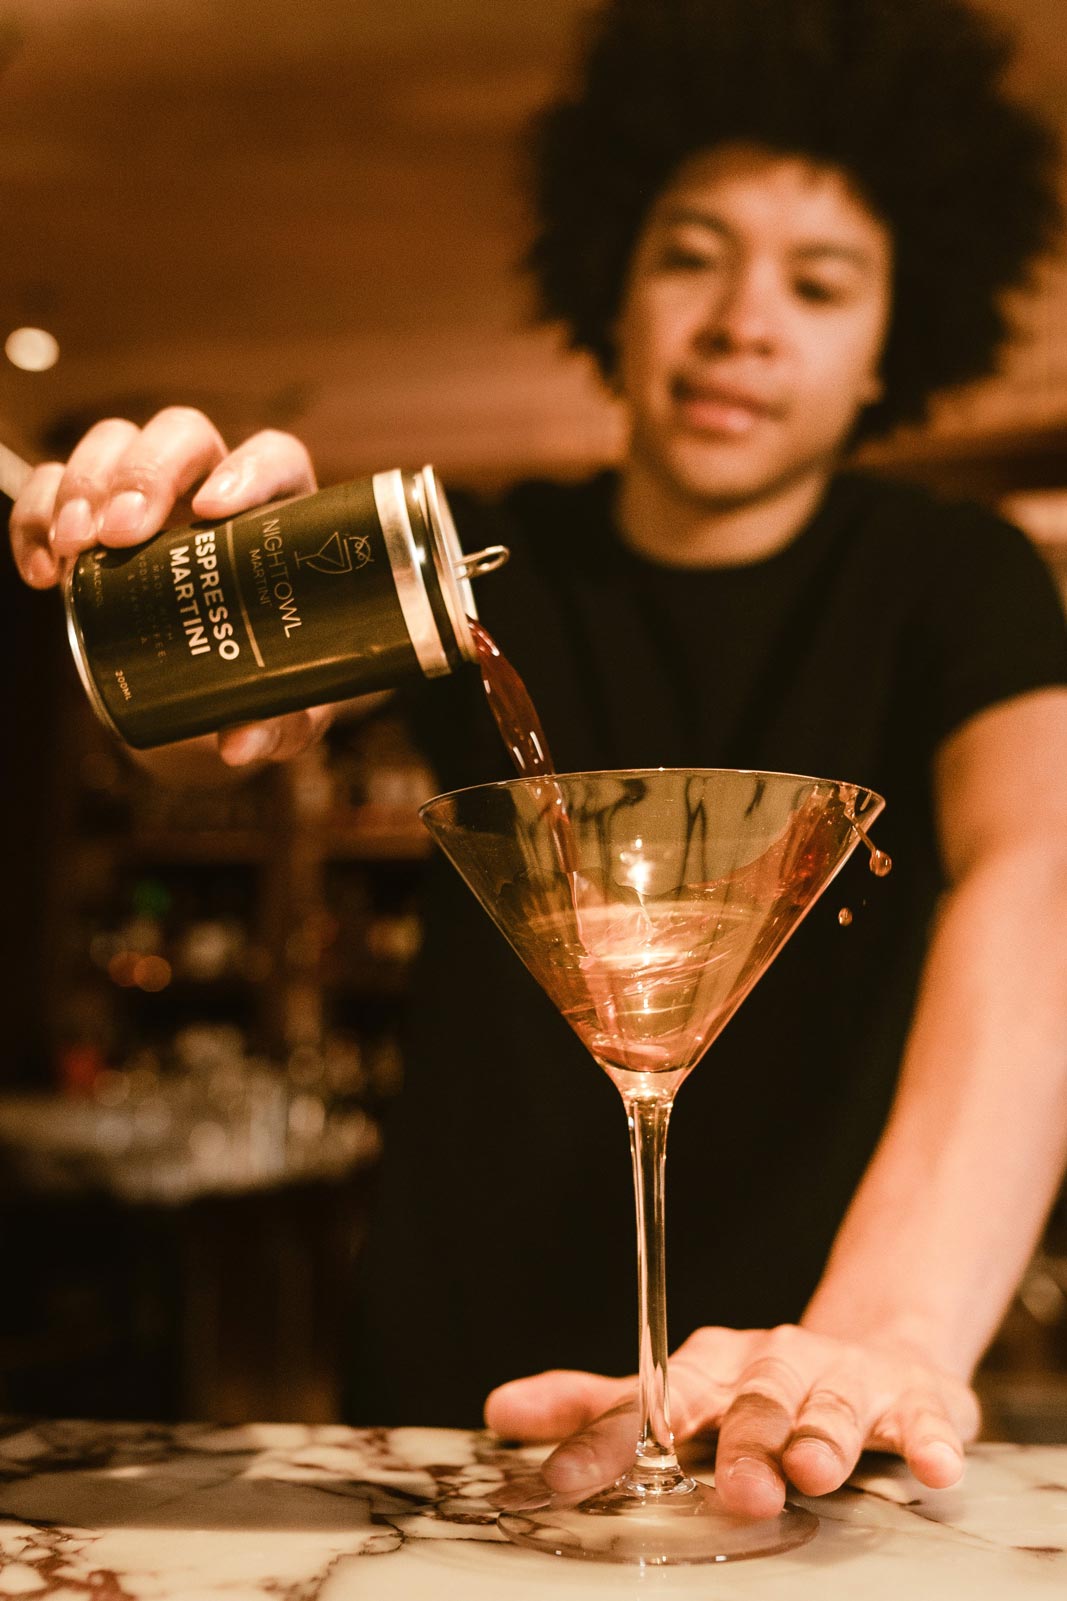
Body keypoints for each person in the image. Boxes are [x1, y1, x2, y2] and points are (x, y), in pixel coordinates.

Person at [11, 0, 1067, 1524]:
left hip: (800, 1406)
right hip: (453, 1385)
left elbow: (1038, 872)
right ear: (615, 286)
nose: (743, 321)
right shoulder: (491, 568)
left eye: (821, 282)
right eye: (691, 254)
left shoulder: (957, 579)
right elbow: (231, 747)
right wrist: (202, 611)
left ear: (895, 339)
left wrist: (881, 1330)